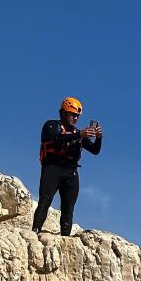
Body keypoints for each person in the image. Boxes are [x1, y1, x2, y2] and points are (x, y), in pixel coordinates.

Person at [32, 97, 104, 236]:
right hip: (53, 167)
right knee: (45, 200)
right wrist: (79, 134)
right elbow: (56, 140)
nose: (75, 118)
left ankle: (65, 236)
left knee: (68, 207)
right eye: (72, 115)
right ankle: (35, 231)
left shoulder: (78, 133)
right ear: (63, 113)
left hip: (71, 171)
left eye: (77, 116)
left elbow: (95, 151)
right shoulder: (52, 125)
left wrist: (99, 138)